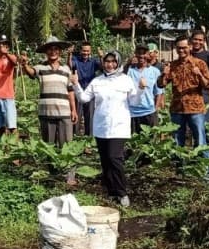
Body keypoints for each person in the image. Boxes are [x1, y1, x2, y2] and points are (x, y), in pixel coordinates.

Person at [72, 51, 145, 207]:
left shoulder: (126, 80)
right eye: (107, 61)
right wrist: (75, 84)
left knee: (114, 158)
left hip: (119, 127)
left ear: (118, 63)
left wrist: (140, 89)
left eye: (113, 62)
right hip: (101, 127)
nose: (110, 65)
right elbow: (84, 98)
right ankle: (111, 192)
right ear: (103, 63)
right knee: (105, 161)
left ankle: (122, 192)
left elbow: (135, 102)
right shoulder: (97, 81)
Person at [21, 37, 78, 182]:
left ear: (59, 52)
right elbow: (30, 72)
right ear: (46, 52)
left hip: (64, 112)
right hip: (46, 113)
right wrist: (25, 64)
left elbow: (70, 90)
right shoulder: (41, 68)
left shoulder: (66, 69)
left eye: (55, 49)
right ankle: (53, 174)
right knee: (49, 145)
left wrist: (74, 110)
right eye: (50, 49)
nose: (53, 52)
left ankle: (69, 175)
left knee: (67, 144)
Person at [157, 35, 209, 154]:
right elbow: (161, 85)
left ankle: (204, 169)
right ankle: (180, 167)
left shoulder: (200, 64)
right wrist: (163, 74)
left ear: (190, 47)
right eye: (179, 48)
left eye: (184, 48)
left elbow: (207, 85)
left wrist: (199, 75)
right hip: (177, 108)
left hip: (195, 108)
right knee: (177, 140)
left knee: (200, 140)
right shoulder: (172, 65)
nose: (181, 50)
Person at [127, 45, 164, 134]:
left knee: (151, 142)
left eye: (144, 53)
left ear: (148, 54)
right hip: (132, 113)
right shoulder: (129, 71)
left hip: (149, 112)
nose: (141, 56)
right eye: (139, 53)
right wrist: (128, 63)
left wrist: (155, 110)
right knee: (133, 144)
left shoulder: (155, 71)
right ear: (135, 54)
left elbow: (158, 93)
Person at [68, 41, 101, 136]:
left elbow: (103, 68)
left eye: (87, 51)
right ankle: (75, 137)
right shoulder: (76, 59)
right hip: (78, 91)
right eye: (84, 51)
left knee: (89, 116)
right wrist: (69, 54)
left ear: (90, 51)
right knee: (76, 115)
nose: (85, 53)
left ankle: (89, 139)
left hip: (90, 92)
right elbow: (69, 66)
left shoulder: (94, 61)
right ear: (80, 51)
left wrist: (101, 57)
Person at [190, 30, 209, 122]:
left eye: (200, 40)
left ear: (204, 42)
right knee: (193, 120)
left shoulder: (208, 56)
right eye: (195, 39)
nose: (197, 42)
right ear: (191, 40)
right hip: (190, 92)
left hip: (204, 92)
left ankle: (207, 136)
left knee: (205, 120)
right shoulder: (188, 54)